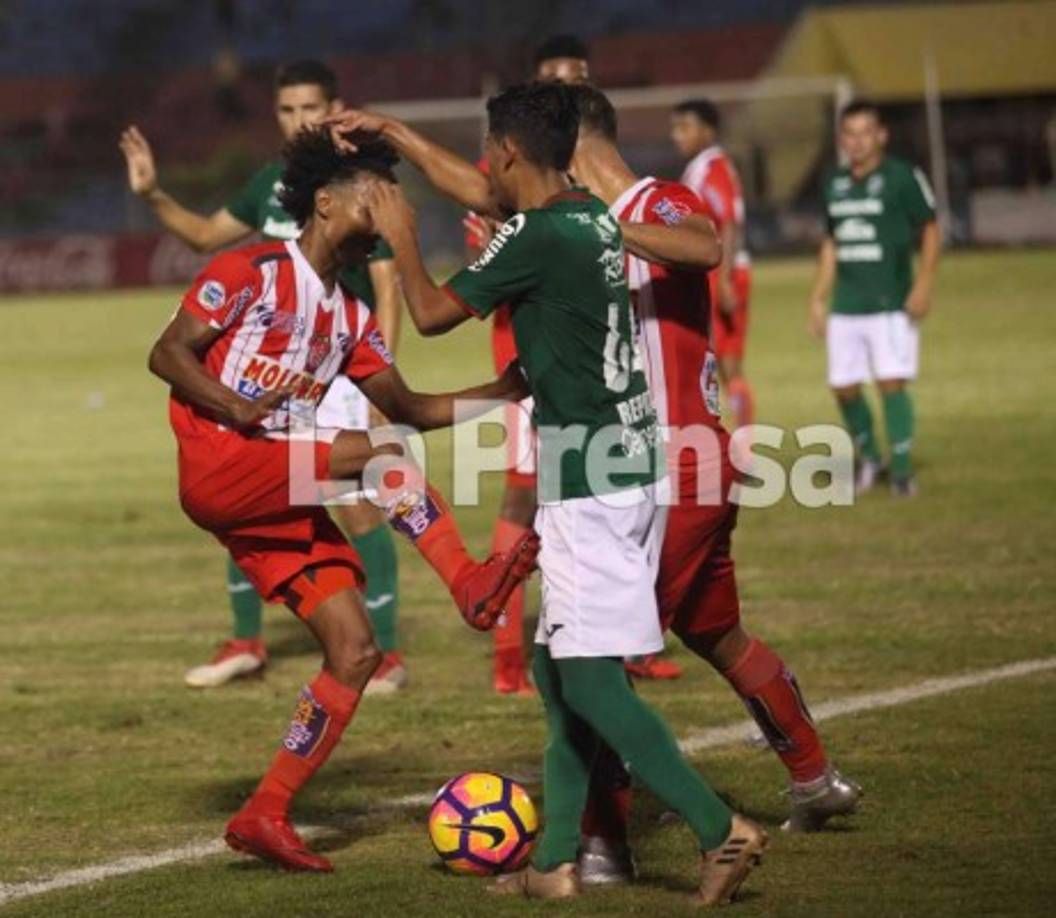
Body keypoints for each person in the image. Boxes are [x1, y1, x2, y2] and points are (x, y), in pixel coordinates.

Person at [334, 80, 767, 906]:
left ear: (503, 155)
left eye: (486, 154)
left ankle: (721, 831)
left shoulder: (530, 236)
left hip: (586, 483)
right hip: (631, 462)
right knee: (556, 664)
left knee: (592, 680)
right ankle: (556, 862)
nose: (481, 167)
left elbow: (427, 315)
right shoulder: (594, 220)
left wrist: (402, 233)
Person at [148, 127, 538, 872]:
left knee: (355, 651)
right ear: (325, 204)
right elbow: (166, 352)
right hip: (223, 462)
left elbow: (413, 407)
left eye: (397, 200)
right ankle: (468, 582)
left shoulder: (351, 317)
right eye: (377, 196)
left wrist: (503, 390)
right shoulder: (251, 270)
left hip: (279, 490)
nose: (392, 210)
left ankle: (265, 812)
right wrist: (230, 405)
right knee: (380, 455)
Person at [566, 85, 862, 883]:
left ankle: (601, 846)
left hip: (676, 469)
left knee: (597, 661)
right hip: (680, 466)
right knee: (717, 633)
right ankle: (815, 778)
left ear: (574, 147)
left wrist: (592, 221)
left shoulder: (657, 198)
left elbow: (704, 245)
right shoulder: (581, 218)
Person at [120, 59, 407, 693]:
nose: (298, 119)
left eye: (310, 107)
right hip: (270, 369)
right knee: (249, 502)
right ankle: (247, 641)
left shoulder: (356, 186)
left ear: (335, 106)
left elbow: (386, 285)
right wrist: (152, 195)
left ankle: (384, 652)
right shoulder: (272, 184)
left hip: (336, 367)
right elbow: (203, 236)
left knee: (358, 506)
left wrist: (379, 384)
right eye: (286, 109)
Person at [463, 34, 591, 695]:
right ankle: (508, 648)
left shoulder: (603, 166)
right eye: (553, 77)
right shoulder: (508, 176)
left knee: (614, 489)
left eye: (574, 76)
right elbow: (487, 271)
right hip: (529, 358)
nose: (565, 85)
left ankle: (630, 643)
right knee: (524, 493)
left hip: (600, 354)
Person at [807, 100, 941, 497]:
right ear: (841, 139)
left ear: (881, 135)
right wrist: (818, 297)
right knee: (843, 387)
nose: (858, 141)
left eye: (866, 132)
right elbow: (832, 242)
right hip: (847, 302)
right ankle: (871, 457)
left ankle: (901, 472)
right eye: (850, 133)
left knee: (890, 383)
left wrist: (924, 283)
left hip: (890, 301)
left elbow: (931, 228)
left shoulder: (902, 177)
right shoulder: (833, 182)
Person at [671, 98, 755, 430]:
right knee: (721, 363)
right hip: (720, 271)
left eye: (684, 127)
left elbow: (731, 222)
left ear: (707, 131)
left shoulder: (712, 168)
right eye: (675, 128)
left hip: (723, 272)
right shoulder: (702, 167)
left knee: (727, 363)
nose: (677, 135)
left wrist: (725, 280)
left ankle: (743, 446)